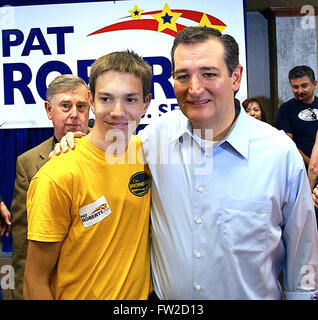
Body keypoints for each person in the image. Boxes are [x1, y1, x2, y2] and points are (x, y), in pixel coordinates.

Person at [56, 27, 318, 299]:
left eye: (209, 74)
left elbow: (302, 254)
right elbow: (107, 146)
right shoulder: (155, 139)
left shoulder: (279, 154)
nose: (195, 88)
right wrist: (73, 142)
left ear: (235, 77)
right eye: (183, 76)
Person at [23, 50, 152, 300]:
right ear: (91, 101)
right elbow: (34, 281)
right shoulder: (57, 175)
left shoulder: (149, 154)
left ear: (145, 103)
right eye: (106, 99)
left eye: (130, 99)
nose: (117, 111)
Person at [11, 74, 90, 299]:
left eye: (82, 106)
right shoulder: (28, 163)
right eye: (65, 105)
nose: (75, 114)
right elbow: (23, 247)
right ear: (49, 110)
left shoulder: (112, 153)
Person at [275, 65, 318, 167]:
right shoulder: (286, 109)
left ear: (314, 84)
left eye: (304, 86)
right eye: (295, 87)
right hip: (300, 167)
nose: (300, 91)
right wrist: (311, 164)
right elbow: (288, 143)